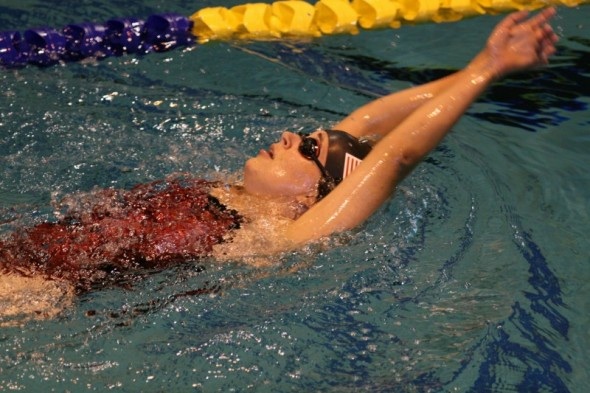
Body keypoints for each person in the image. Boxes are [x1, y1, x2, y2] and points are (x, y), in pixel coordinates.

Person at [0, 9, 558, 306]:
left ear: (313, 196)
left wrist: (490, 71)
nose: (292, 135)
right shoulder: (236, 192)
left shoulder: (275, 238)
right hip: (24, 248)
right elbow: (366, 124)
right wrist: (466, 70)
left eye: (309, 150)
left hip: (27, 296)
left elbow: (397, 154)